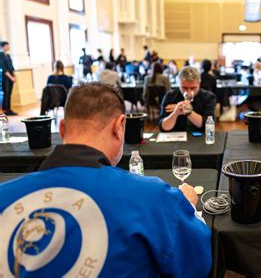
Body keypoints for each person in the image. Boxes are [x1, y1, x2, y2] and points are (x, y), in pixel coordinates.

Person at [0, 83, 212, 277]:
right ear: (119, 126)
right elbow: (198, 264)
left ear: (62, 128)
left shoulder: (4, 196)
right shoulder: (154, 198)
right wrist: (187, 207)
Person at [159, 66, 216, 132]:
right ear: (179, 84)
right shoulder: (170, 96)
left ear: (199, 84)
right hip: (176, 136)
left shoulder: (209, 97)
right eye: (185, 88)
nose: (188, 92)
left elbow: (208, 126)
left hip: (200, 137)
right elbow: (163, 127)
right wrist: (175, 113)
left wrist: (188, 112)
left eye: (193, 88)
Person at [0, 41, 17, 115]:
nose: (8, 47)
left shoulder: (8, 55)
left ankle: (9, 109)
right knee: (6, 93)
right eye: (7, 45)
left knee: (9, 93)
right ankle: (6, 110)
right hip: (5, 78)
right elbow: (4, 68)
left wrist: (14, 76)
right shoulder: (0, 55)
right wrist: (11, 77)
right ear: (3, 46)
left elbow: (11, 67)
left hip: (11, 77)